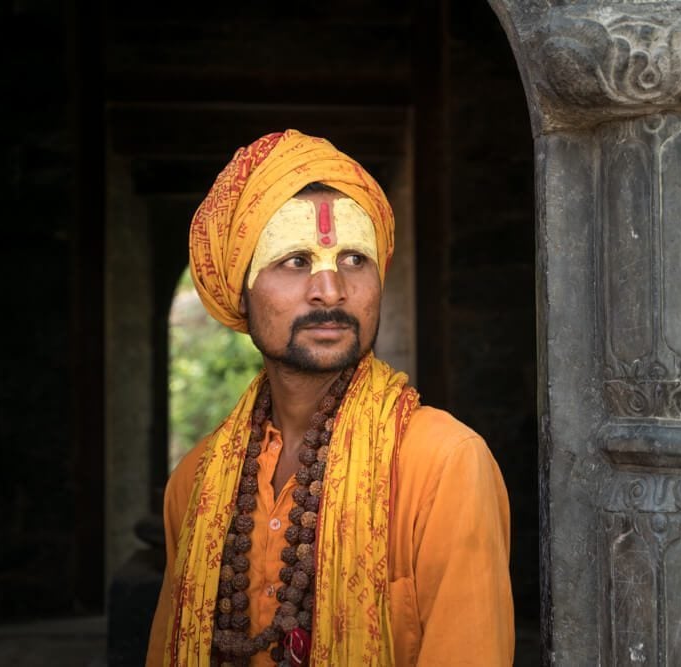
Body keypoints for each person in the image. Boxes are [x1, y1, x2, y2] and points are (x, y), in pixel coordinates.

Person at [147, 129, 513, 666]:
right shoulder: (196, 482)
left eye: (354, 260)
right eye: (295, 260)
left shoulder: (444, 464)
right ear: (240, 293)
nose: (331, 290)